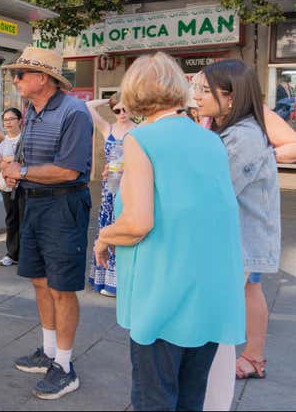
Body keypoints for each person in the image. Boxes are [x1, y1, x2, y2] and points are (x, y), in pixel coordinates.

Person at [94, 52, 245, 411]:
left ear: (133, 93)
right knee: (191, 398)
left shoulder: (141, 139)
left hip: (164, 293)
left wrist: (103, 237)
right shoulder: (211, 141)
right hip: (210, 293)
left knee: (154, 398)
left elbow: (137, 222)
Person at [0, 47, 93, 400]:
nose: (15, 79)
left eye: (21, 74)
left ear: (44, 78)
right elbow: (29, 160)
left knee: (61, 287)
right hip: (34, 204)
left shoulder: (74, 112)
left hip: (63, 205)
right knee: (40, 282)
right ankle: (49, 351)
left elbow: (69, 170)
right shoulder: (32, 110)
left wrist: (21, 171)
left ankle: (65, 366)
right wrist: (15, 174)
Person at [193, 60, 281, 408]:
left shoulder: (243, 136)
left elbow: (214, 191)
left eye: (204, 90)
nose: (196, 97)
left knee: (216, 335)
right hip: (231, 245)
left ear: (230, 98)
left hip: (238, 246)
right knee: (218, 334)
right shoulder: (231, 131)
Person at [85, 94, 137, 297]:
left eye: (126, 109)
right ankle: (106, 278)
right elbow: (88, 106)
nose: (122, 114)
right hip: (110, 188)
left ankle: (121, 282)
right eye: (118, 110)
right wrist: (109, 100)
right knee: (107, 228)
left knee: (124, 229)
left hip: (130, 185)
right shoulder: (108, 129)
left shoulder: (139, 131)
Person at [0, 107, 23, 267]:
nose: (8, 123)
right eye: (5, 120)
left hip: (25, 184)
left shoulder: (25, 139)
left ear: (19, 120)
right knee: (11, 218)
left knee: (25, 218)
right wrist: (7, 161)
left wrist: (7, 160)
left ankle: (25, 253)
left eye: (11, 119)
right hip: (7, 186)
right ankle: (11, 253)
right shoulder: (3, 142)